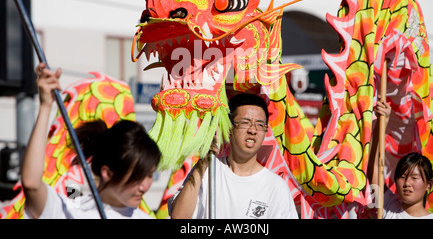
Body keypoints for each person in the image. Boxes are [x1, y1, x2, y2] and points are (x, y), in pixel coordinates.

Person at [21, 62, 161, 219]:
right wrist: (45, 106)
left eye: (149, 175)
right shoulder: (71, 210)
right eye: (136, 177)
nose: (145, 186)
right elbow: (31, 185)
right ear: (106, 172)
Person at [169, 93, 299, 219]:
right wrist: (204, 160)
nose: (252, 130)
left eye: (260, 125)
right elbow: (179, 216)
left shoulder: (276, 187)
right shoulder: (208, 171)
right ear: (229, 128)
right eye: (245, 122)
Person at [368, 98, 433, 219]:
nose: (407, 183)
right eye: (402, 177)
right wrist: (382, 123)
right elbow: (373, 166)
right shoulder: (388, 206)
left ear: (429, 184)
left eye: (414, 178)